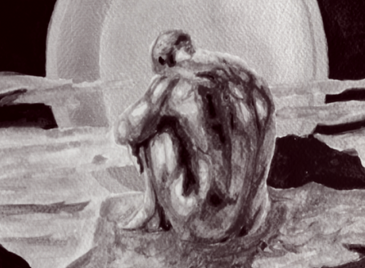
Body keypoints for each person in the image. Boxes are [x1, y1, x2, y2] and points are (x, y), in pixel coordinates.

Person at [115, 30, 276, 241]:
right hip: (253, 218)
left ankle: (151, 212)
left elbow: (124, 131)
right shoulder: (248, 76)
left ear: (164, 60)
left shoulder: (171, 80)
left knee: (155, 132)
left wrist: (141, 139)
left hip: (203, 225)